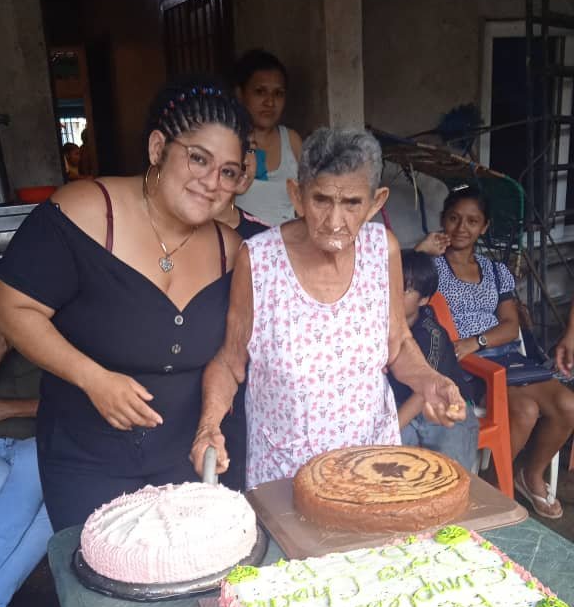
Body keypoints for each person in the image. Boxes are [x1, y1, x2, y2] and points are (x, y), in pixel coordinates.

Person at [0, 77, 251, 607]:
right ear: (157, 148)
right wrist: (91, 378)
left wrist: (210, 419)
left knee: (186, 576)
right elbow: (14, 308)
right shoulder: (84, 213)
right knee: (92, 576)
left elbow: (227, 355)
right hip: (87, 439)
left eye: (228, 171)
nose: (211, 181)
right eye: (197, 159)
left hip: (181, 442)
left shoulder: (233, 250)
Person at [190, 127, 466, 489]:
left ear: (376, 202)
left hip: (371, 468)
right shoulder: (259, 259)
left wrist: (431, 382)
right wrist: (208, 426)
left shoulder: (383, 250)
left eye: (352, 203)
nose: (335, 222)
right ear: (297, 195)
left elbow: (397, 345)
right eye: (321, 200)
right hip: (285, 475)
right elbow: (230, 360)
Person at [415, 184, 574, 518]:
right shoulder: (432, 267)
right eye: (454, 218)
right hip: (465, 367)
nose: (461, 228)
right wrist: (420, 251)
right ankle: (491, 485)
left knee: (568, 403)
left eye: (472, 221)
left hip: (501, 356)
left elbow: (508, 325)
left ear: (484, 227)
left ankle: (529, 475)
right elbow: (402, 295)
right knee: (526, 411)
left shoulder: (496, 271)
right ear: (443, 220)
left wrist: (477, 340)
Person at [389, 250, 479, 469]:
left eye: (406, 289)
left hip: (444, 407)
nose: (394, 293)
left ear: (424, 300)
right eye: (392, 284)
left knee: (449, 469)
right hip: (401, 407)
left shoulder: (431, 334)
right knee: (393, 470)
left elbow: (424, 394)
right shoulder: (373, 322)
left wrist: (387, 431)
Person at [0, 331, 52, 607]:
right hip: (12, 449)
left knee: (59, 511)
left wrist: (12, 408)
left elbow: (78, 399)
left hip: (43, 440)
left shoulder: (56, 320)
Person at [234, 49, 302, 226]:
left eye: (278, 93)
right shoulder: (229, 142)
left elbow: (310, 197)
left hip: (287, 246)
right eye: (260, 91)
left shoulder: (292, 141)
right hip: (241, 245)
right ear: (240, 94)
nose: (270, 102)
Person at [214, 135, 268, 238]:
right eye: (233, 148)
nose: (246, 162)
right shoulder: (182, 225)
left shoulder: (262, 237)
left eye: (251, 151)